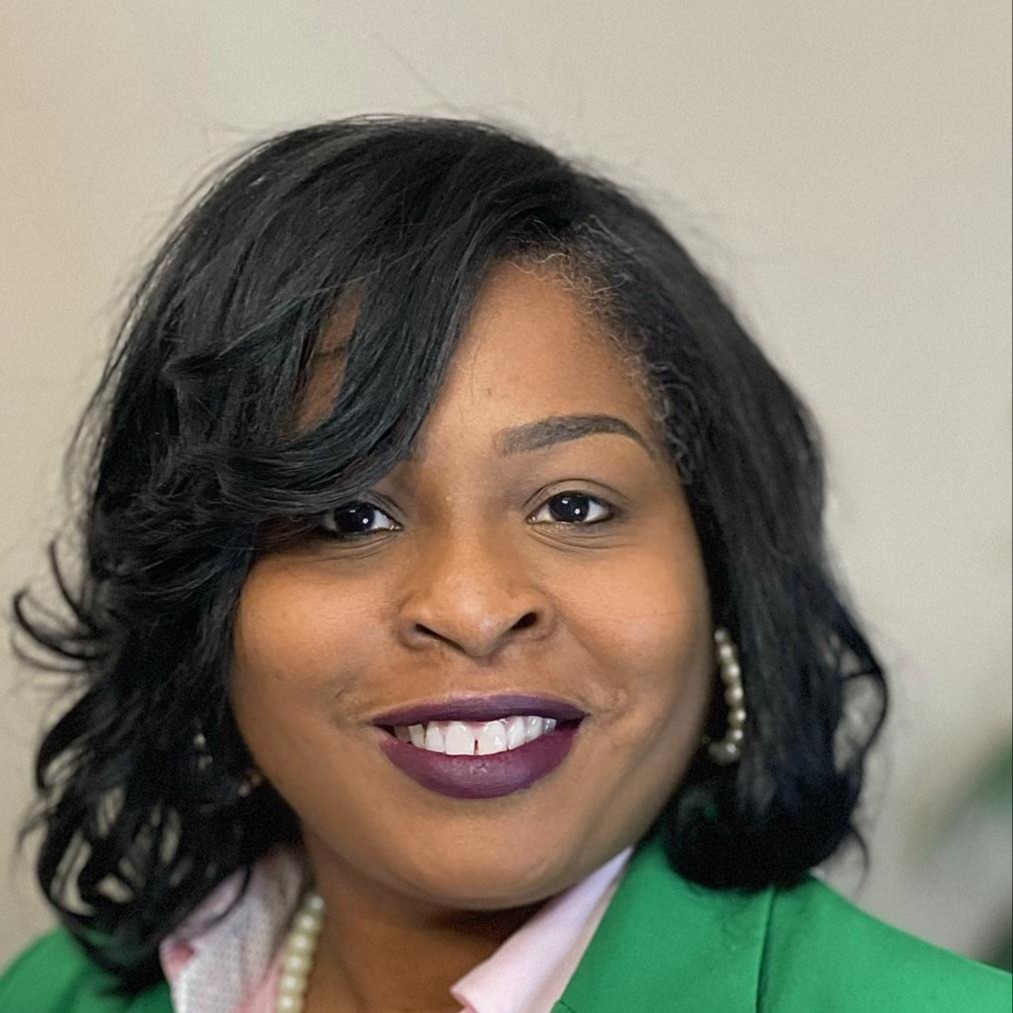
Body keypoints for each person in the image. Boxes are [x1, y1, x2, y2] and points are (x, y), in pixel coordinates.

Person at [0, 114, 1008, 1013]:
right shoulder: (52, 995)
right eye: (348, 514)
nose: (473, 605)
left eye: (573, 503)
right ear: (197, 610)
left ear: (722, 577)